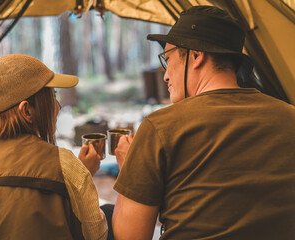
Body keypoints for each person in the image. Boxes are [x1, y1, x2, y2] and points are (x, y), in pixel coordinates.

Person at [112, 5, 295, 240]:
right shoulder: (289, 117)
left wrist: (129, 171)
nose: (166, 75)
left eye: (167, 60)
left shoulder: (161, 127)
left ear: (196, 56)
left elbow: (130, 236)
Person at [0, 54, 107, 240]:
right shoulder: (64, 165)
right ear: (26, 110)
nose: (57, 106)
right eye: (53, 96)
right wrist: (81, 176)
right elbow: (96, 234)